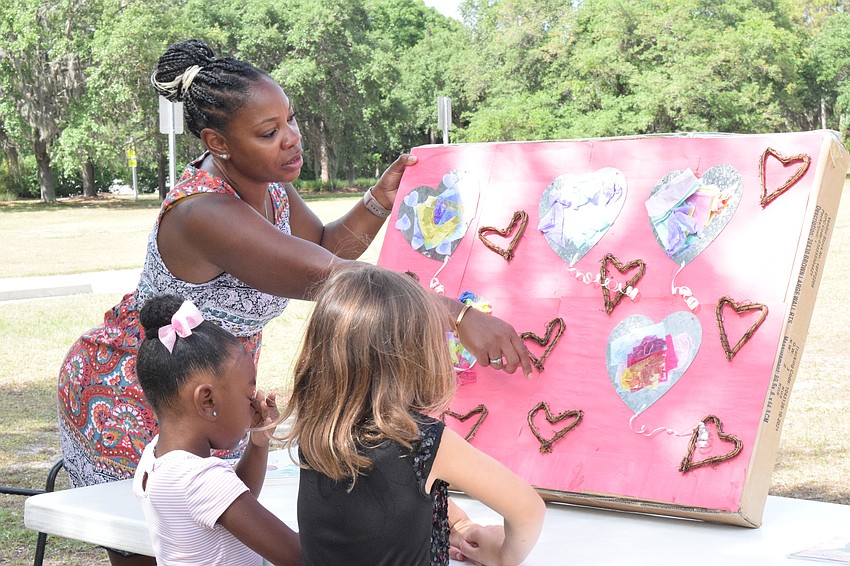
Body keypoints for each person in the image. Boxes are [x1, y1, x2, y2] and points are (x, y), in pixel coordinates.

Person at [57, 38, 530, 565]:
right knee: (161, 550)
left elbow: (325, 247)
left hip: (217, 388)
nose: (291, 139)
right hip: (138, 393)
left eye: (291, 120)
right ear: (218, 142)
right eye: (269, 132)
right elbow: (329, 276)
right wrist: (456, 315)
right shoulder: (204, 213)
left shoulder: (269, 189)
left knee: (220, 544)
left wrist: (379, 198)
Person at [277, 265, 546, 566]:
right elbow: (529, 509)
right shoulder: (420, 441)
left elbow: (393, 495)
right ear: (415, 356)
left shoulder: (317, 427)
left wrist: (458, 526)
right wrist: (503, 554)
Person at [132, 294, 302, 566]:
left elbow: (230, 503)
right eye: (249, 396)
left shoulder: (155, 458)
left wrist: (257, 444)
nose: (254, 404)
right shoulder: (202, 480)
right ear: (207, 401)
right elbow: (297, 557)